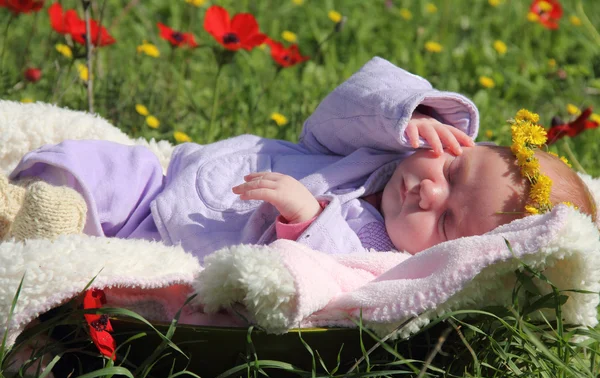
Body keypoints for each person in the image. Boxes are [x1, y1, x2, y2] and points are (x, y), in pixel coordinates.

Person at [0, 57, 596, 259]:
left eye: (445, 221)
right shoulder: (390, 150)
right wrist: (407, 116)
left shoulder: (385, 256)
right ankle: (26, 199)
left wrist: (307, 221)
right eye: (454, 169)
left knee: (107, 266)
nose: (428, 190)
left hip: (177, 250)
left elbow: (328, 282)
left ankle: (38, 231)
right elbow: (334, 114)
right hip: (160, 186)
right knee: (96, 161)